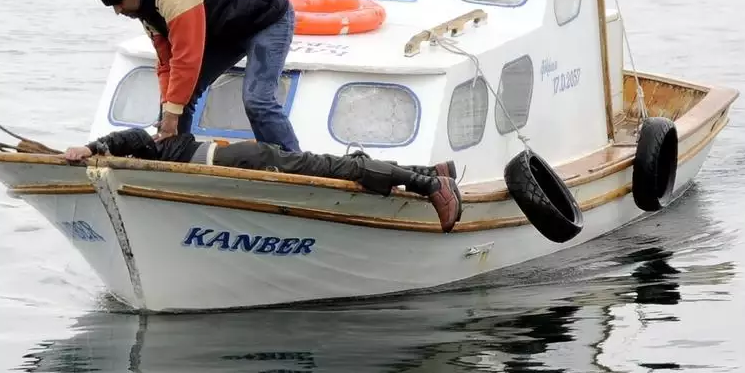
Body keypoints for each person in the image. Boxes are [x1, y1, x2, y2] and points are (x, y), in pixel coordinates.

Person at [96, 0, 301, 152]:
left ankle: (292, 163)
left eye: (118, 2)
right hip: (227, 24)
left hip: (267, 16)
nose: (118, 11)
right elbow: (167, 63)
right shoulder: (142, 7)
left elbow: (187, 58)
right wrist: (168, 111)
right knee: (175, 100)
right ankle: (175, 157)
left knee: (257, 100)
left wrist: (172, 113)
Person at [64, 128, 464, 233]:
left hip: (248, 160)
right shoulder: (150, 155)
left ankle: (431, 187)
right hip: (243, 158)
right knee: (332, 165)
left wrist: (93, 145)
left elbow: (130, 137)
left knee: (341, 169)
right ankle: (431, 173)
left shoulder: (146, 147)